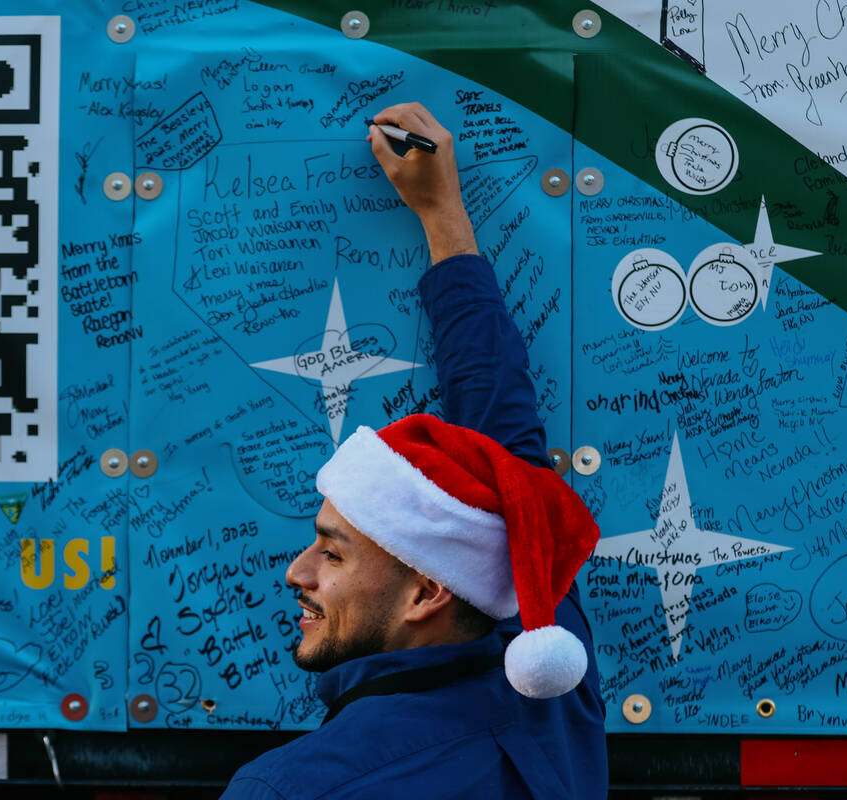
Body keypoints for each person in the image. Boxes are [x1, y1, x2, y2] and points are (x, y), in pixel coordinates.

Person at [222, 103, 606, 799]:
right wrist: (442, 214)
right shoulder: (550, 689)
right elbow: (504, 445)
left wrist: (441, 211)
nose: (294, 571)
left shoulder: (292, 790)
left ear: (428, 591)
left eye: (332, 552)